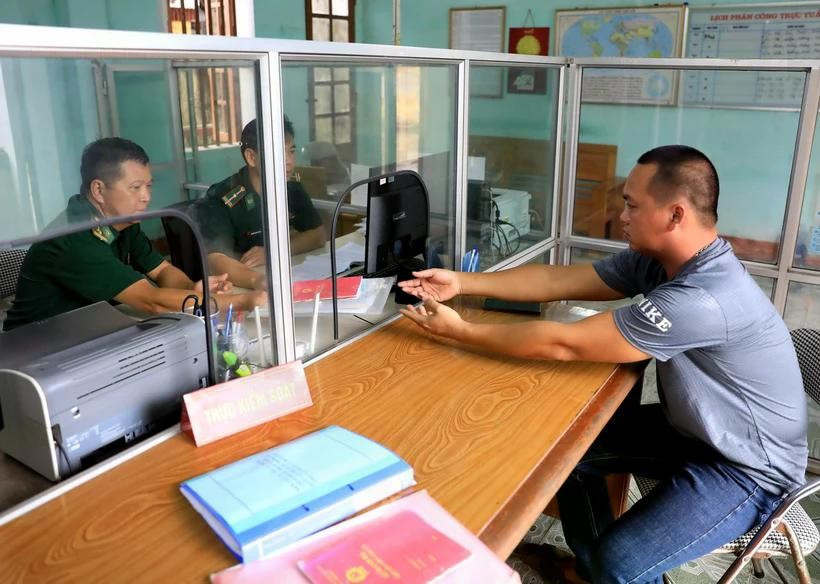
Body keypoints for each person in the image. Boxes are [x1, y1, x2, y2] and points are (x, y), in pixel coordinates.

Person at [398, 145, 807, 582]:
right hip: (699, 432)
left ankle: (607, 569)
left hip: (748, 470)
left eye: (632, 204)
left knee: (621, 564)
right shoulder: (663, 262)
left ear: (675, 215)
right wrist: (461, 281)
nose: (622, 215)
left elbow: (565, 344)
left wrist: (461, 331)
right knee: (562, 454)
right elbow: (558, 280)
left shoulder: (703, 298)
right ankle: (588, 565)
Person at [4, 138, 265, 331]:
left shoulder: (122, 221)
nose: (146, 197)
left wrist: (192, 289)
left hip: (88, 328)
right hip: (38, 345)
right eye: (135, 187)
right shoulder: (75, 239)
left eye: (148, 186)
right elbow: (152, 302)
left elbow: (162, 271)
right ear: (98, 190)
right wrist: (240, 301)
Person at [200, 118, 326, 290]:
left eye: (291, 151)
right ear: (251, 157)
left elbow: (318, 235)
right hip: (239, 289)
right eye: (279, 153)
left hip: (281, 280)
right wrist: (258, 281)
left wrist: (273, 253)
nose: (289, 161)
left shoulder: (291, 188)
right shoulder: (223, 197)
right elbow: (215, 260)